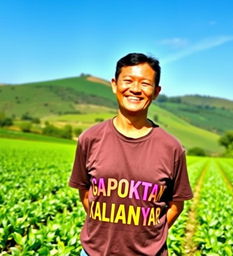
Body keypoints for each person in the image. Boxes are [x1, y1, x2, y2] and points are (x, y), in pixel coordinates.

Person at [69, 53, 193, 256]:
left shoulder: (172, 148)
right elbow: (84, 191)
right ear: (114, 85)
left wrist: (150, 237)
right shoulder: (90, 139)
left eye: (145, 83)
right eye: (128, 81)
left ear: (156, 92)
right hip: (94, 252)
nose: (135, 89)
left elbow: (176, 205)